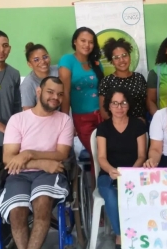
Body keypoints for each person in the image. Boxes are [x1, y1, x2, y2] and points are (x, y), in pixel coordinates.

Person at [0, 76, 74, 249]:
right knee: (17, 213)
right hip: (20, 175)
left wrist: (28, 153)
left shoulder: (65, 120)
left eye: (60, 94)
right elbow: (9, 158)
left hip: (49, 174)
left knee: (42, 204)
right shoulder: (18, 120)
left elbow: (61, 154)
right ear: (38, 92)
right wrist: (42, 163)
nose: (55, 97)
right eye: (50, 92)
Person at [96, 87, 146, 249]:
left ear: (129, 105)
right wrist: (111, 170)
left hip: (134, 174)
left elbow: (141, 156)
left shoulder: (138, 125)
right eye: (115, 103)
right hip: (108, 174)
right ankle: (120, 235)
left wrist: (129, 172)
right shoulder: (103, 128)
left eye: (123, 103)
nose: (119, 107)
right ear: (108, 106)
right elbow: (101, 158)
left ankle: (143, 231)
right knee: (110, 195)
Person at [58, 27, 104, 180]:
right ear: (75, 42)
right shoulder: (67, 60)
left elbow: (102, 92)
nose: (87, 45)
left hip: (103, 116)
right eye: (83, 41)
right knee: (96, 153)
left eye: (91, 42)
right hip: (82, 118)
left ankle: (108, 187)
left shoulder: (96, 63)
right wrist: (66, 121)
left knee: (108, 152)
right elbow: (65, 92)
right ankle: (98, 188)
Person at [99, 38, 147, 120]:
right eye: (116, 57)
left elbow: (146, 104)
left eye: (124, 55)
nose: (121, 60)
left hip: (141, 127)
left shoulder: (139, 78)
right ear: (112, 62)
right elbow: (104, 113)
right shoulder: (106, 82)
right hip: (117, 128)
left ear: (130, 56)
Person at [0, 30, 21, 165]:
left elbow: (17, 108)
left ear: (9, 49)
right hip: (6, 133)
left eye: (5, 45)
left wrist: (15, 132)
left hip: (9, 141)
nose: (1, 50)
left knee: (7, 179)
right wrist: (6, 129)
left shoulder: (14, 74)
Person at [21, 42, 58, 110]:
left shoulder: (59, 71)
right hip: (40, 119)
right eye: (36, 60)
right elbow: (28, 113)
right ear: (29, 64)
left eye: (45, 57)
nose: (43, 61)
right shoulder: (28, 84)